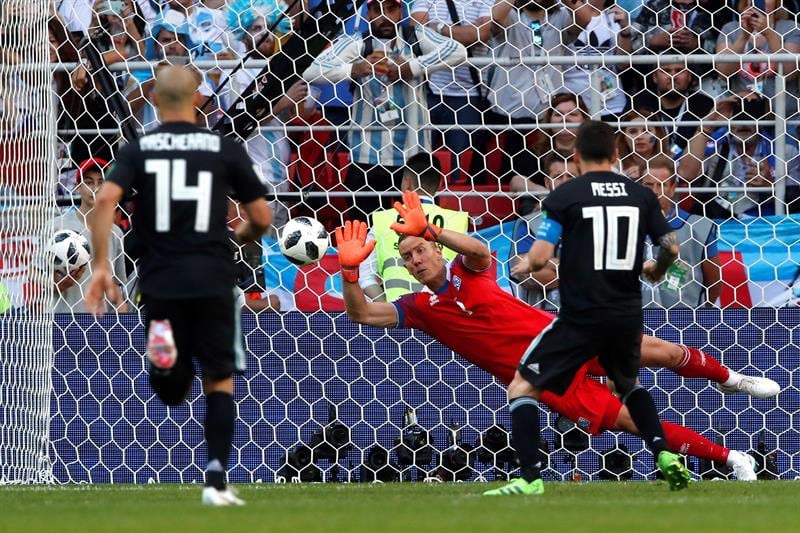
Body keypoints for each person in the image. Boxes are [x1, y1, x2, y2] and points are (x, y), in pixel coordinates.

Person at [334, 196, 772, 489]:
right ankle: (734, 460)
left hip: (568, 338)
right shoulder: (419, 307)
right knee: (632, 423)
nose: (415, 261)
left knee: (663, 352)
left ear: (434, 252)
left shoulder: (469, 269)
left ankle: (732, 378)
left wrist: (433, 230)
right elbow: (361, 314)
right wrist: (350, 273)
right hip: (545, 377)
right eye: (407, 257)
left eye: (420, 251)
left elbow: (478, 250)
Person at [84, 65, 273, 506]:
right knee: (219, 378)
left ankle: (167, 358)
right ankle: (217, 480)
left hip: (160, 281)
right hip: (213, 279)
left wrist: (99, 265)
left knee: (171, 388)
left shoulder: (140, 148)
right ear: (197, 100)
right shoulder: (222, 147)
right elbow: (262, 217)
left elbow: (107, 199)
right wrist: (240, 238)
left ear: (153, 101)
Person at [504, 120, 689, 495]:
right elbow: (670, 247)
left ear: (575, 157)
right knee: (626, 384)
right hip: (626, 313)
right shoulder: (642, 197)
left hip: (581, 315)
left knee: (522, 386)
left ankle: (529, 479)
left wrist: (528, 264)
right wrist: (656, 269)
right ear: (617, 154)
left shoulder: (565, 196)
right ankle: (664, 454)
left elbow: (541, 256)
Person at [302, 0, 467, 220]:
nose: (384, 16)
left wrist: (411, 67)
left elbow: (459, 51)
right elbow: (310, 70)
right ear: (368, 13)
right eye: (378, 10)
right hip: (367, 155)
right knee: (365, 229)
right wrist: (355, 68)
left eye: (391, 9)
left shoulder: (415, 36)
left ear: (400, 11)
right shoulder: (358, 42)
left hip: (413, 153)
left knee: (417, 230)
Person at [359, 152, 469, 301]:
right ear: (441, 185)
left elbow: (365, 278)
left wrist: (389, 308)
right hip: (443, 314)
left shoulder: (383, 219)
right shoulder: (456, 220)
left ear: (407, 182)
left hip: (398, 317)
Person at [640, 155, 721, 307]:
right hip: (637, 322)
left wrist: (698, 313)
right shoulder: (626, 225)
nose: (655, 192)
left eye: (661, 185)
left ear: (672, 189)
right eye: (648, 185)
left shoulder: (698, 227)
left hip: (683, 321)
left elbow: (714, 283)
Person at [52, 158, 129, 314]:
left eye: (101, 182)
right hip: (63, 320)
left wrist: (124, 319)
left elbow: (116, 283)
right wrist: (60, 284)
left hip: (102, 323)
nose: (95, 188)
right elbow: (34, 274)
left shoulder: (115, 233)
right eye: (89, 182)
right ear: (78, 187)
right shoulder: (55, 227)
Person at [508, 153, 578, 310]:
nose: (565, 182)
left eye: (571, 176)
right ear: (547, 183)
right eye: (558, 176)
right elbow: (526, 274)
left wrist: (551, 264)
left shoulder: (597, 220)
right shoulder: (531, 223)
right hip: (545, 316)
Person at [631, 55, 714, 158]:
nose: (673, 76)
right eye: (666, 70)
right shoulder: (639, 102)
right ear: (655, 77)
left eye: (679, 70)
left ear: (689, 76)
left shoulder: (704, 104)